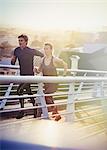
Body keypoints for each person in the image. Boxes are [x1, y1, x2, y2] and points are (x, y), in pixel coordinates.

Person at [11, 34, 44, 119]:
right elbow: (13, 62)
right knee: (29, 92)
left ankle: (22, 111)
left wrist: (39, 68)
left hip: (29, 75)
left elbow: (42, 56)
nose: (20, 42)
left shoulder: (31, 51)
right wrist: (13, 59)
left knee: (19, 90)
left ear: (26, 42)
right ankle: (35, 108)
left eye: (21, 41)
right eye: (19, 41)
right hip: (22, 75)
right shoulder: (17, 50)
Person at [35, 43, 68, 121]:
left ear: (51, 50)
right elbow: (39, 70)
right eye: (45, 48)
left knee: (47, 96)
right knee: (48, 97)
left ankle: (55, 111)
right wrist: (35, 70)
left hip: (53, 82)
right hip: (46, 83)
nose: (45, 50)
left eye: (47, 48)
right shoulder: (42, 59)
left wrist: (64, 74)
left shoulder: (54, 59)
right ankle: (56, 113)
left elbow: (65, 65)